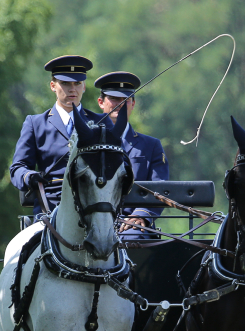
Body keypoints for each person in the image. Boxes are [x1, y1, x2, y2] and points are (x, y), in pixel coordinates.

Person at [9, 55, 103, 216]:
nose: (72, 89)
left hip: (94, 207)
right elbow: (17, 168)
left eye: (77, 83)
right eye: (65, 83)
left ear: (84, 87)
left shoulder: (101, 123)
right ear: (53, 86)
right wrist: (29, 176)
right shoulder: (35, 124)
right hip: (50, 207)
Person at [95, 71, 169, 237]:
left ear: (133, 104)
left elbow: (160, 186)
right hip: (93, 221)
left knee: (131, 240)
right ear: (101, 102)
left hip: (132, 227)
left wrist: (141, 214)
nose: (119, 104)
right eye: (114, 98)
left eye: (125, 100)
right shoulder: (89, 144)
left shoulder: (151, 146)